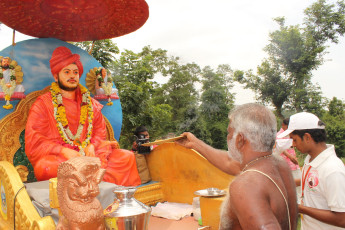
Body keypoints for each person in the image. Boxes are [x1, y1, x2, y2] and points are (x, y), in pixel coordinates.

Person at [25, 46, 141, 186]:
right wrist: (63, 151)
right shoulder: (43, 104)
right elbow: (34, 140)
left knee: (126, 157)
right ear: (56, 76)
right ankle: (91, 185)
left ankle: (118, 197)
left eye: (75, 72)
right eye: (66, 72)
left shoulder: (91, 104)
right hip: (61, 158)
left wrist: (92, 145)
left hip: (91, 155)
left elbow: (99, 132)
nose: (72, 76)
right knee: (45, 167)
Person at [177, 103, 297, 230]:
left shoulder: (246, 184)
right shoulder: (279, 165)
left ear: (240, 139)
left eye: (229, 132)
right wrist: (195, 144)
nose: (228, 137)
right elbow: (228, 162)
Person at [278, 112, 345, 229]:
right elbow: (310, 182)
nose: (293, 145)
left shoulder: (332, 170)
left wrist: (300, 208)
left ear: (307, 137)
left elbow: (341, 219)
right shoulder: (310, 161)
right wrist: (284, 184)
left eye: (294, 140)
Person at [276, 117, 302, 201]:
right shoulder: (279, 135)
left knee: (298, 184)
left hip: (293, 163)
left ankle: (298, 203)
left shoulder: (291, 133)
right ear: (283, 125)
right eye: (287, 126)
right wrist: (290, 157)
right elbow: (280, 147)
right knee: (288, 184)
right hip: (285, 163)